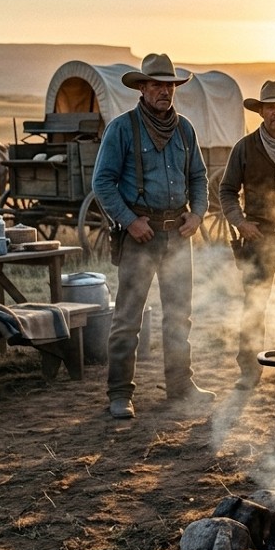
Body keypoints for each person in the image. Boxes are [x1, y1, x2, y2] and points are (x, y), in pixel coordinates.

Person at [91, 53, 215, 420]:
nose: (164, 91)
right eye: (157, 85)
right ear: (142, 88)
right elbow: (103, 183)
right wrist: (129, 221)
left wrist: (197, 213)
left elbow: (198, 178)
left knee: (179, 315)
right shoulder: (122, 129)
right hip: (140, 236)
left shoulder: (185, 129)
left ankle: (180, 386)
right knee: (128, 318)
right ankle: (119, 393)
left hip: (178, 233)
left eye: (170, 85)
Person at [218, 79, 275, 390]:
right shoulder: (244, 148)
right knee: (253, 304)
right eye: (270, 107)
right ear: (261, 112)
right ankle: (249, 370)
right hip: (256, 238)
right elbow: (227, 191)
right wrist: (240, 222)